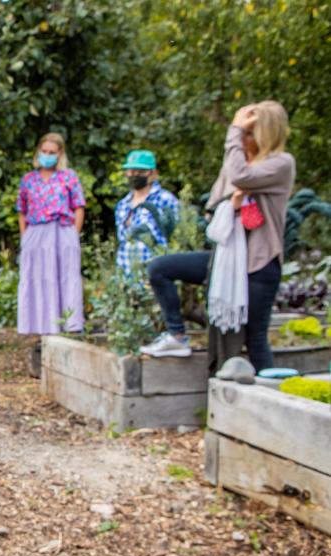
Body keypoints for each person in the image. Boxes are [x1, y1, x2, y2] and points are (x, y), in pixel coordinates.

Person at [141, 101, 295, 370]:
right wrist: (232, 200)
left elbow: (240, 176)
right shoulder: (240, 161)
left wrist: (234, 131)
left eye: (249, 133)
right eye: (242, 132)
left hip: (259, 263)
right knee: (160, 268)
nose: (242, 138)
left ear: (266, 134)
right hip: (226, 259)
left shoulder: (281, 163)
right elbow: (215, 201)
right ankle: (177, 335)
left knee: (255, 338)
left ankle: (268, 394)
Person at [15, 132, 86, 334]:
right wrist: (25, 238)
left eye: (52, 152)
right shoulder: (28, 180)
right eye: (44, 151)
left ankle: (70, 325)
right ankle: (41, 328)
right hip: (35, 233)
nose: (47, 155)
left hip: (62, 231)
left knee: (66, 277)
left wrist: (73, 235)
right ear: (38, 151)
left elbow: (79, 207)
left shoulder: (69, 177)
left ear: (60, 153)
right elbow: (21, 210)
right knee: (37, 278)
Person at [114, 150, 180, 275]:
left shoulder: (165, 199)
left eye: (141, 172)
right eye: (132, 171)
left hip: (156, 268)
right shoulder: (122, 205)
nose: (135, 175)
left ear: (152, 173)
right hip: (127, 269)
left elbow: (176, 235)